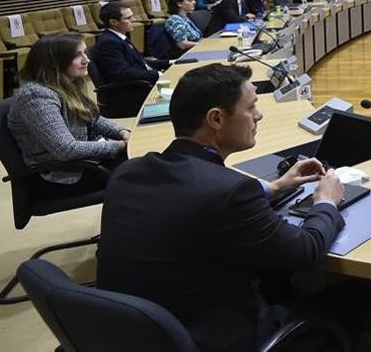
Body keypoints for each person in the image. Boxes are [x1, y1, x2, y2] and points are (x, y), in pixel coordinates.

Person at [97, 63, 348, 352]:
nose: (259, 115)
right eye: (251, 107)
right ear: (216, 119)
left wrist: (276, 187)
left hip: (134, 336)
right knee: (352, 297)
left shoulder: (128, 173)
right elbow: (307, 250)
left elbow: (193, 202)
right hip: (214, 339)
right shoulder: (229, 192)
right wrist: (327, 200)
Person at [8, 33, 130, 197]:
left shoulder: (65, 83)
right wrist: (120, 146)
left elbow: (93, 119)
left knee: (149, 158)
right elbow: (66, 149)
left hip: (84, 163)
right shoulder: (35, 96)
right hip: (61, 177)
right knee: (145, 169)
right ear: (55, 63)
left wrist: (123, 133)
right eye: (77, 55)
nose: (86, 60)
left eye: (85, 52)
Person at [92, 1, 161, 83]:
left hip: (144, 80)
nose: (134, 20)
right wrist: (157, 75)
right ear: (113, 22)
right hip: (134, 87)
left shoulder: (119, 37)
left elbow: (140, 62)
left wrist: (169, 62)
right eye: (128, 18)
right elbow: (122, 73)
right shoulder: (109, 42)